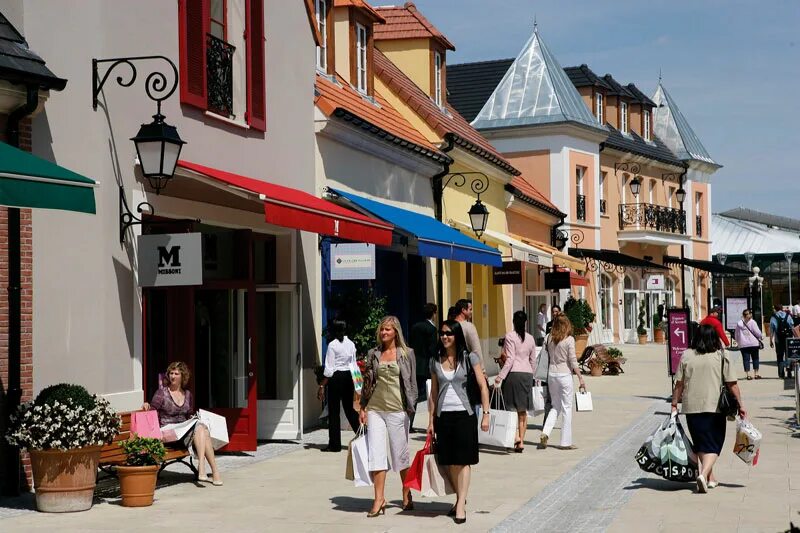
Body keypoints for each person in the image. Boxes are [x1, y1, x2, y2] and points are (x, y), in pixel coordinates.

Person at [427, 320, 491, 525]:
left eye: (449, 333)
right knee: (449, 461)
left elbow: (483, 386)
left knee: (463, 460)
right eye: (442, 333)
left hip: (465, 415)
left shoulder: (469, 358)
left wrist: (486, 414)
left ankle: (461, 503)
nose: (445, 337)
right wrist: (430, 421)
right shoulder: (435, 360)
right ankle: (459, 497)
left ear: (457, 336)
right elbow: (434, 393)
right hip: (443, 415)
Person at [671, 324, 746, 493]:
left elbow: (679, 384)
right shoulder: (722, 355)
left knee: (700, 443)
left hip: (691, 407)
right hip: (715, 407)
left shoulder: (687, 355)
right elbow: (732, 383)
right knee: (714, 444)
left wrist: (674, 403)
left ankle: (711, 479)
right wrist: (741, 404)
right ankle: (704, 475)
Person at [359, 316, 417, 517]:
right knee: (376, 454)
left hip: (397, 409)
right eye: (382, 329)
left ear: (396, 332)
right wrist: (362, 407)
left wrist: (411, 408)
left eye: (388, 330)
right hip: (375, 408)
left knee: (399, 454)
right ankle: (379, 499)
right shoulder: (373, 354)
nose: (384, 333)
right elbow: (367, 382)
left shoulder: (407, 354)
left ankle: (406, 491)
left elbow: (412, 384)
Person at [142, 361, 222, 486]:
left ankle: (204, 467)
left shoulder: (188, 395)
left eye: (176, 374)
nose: (173, 376)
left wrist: (195, 419)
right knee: (201, 430)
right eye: (171, 373)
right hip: (168, 433)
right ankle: (210, 470)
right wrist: (146, 405)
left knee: (202, 429)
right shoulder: (162, 393)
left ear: (183, 376)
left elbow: (189, 415)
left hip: (183, 433)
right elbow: (152, 411)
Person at [539, 315, 586, 450]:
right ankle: (565, 442)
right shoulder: (569, 339)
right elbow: (572, 360)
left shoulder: (549, 337)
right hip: (564, 375)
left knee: (555, 406)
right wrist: (580, 377)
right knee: (566, 408)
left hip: (551, 374)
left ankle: (545, 432)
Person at [494, 310, 537, 452]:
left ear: (513, 321)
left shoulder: (510, 336)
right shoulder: (531, 338)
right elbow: (533, 361)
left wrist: (500, 376)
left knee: (511, 409)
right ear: (525, 322)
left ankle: (514, 437)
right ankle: (522, 441)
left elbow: (510, 359)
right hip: (527, 375)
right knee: (523, 410)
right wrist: (533, 377)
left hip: (514, 374)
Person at [318, 320, 360, 452]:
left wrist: (322, 385)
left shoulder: (332, 345)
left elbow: (330, 368)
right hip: (348, 377)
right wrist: (358, 384)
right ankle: (364, 435)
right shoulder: (351, 344)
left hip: (335, 378)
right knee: (349, 409)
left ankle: (335, 445)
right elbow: (354, 364)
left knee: (334, 411)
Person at [408, 303, 438, 431]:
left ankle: (409, 423)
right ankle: (432, 422)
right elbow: (432, 349)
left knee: (413, 392)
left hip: (414, 363)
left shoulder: (415, 326)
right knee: (429, 393)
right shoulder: (431, 329)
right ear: (434, 314)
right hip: (426, 365)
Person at [734, 309, 763, 380]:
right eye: (750, 313)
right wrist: (760, 337)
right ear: (749, 314)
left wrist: (737, 341)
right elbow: (757, 332)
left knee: (746, 359)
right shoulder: (752, 322)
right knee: (755, 358)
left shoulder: (739, 323)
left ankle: (748, 375)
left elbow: (737, 334)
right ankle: (756, 374)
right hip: (753, 344)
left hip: (743, 344)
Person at [769, 304, 795, 379]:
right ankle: (789, 371)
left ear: (776, 309)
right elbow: (792, 327)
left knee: (780, 356)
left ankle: (781, 374)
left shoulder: (773, 317)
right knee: (788, 355)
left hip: (778, 340)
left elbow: (771, 330)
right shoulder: (788, 316)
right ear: (782, 308)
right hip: (788, 339)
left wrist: (771, 341)